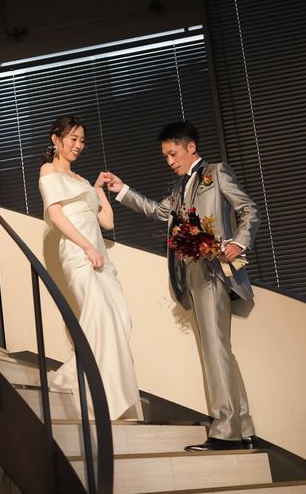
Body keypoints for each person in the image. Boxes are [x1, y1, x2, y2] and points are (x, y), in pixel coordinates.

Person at [106, 120, 260, 449]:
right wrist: (121, 190)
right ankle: (243, 427)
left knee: (214, 351)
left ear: (191, 147)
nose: (169, 161)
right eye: (165, 156)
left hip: (214, 271)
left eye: (173, 154)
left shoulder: (216, 173)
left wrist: (238, 242)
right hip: (191, 276)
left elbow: (249, 209)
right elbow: (157, 211)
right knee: (220, 350)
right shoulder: (178, 189)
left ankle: (225, 431)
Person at [38, 115, 142, 420]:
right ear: (56, 140)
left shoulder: (81, 180)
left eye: (82, 140)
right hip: (78, 252)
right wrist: (86, 247)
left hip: (99, 256)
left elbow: (107, 222)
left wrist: (97, 189)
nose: (78, 145)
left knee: (120, 319)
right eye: (73, 139)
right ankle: (99, 398)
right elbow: (56, 216)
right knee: (99, 317)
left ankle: (88, 383)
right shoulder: (48, 170)